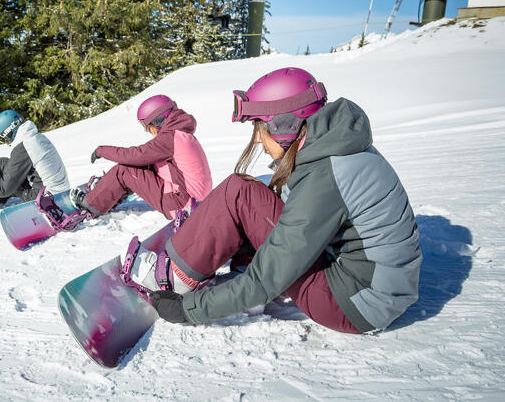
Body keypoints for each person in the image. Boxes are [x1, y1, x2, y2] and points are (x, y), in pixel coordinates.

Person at [130, 67, 421, 334]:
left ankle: (171, 278)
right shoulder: (338, 145)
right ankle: (214, 253)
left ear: (284, 125)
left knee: (239, 192)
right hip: (371, 288)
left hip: (353, 303)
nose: (257, 140)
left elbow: (267, 278)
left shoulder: (325, 174)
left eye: (259, 128)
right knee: (246, 195)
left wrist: (186, 309)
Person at [70, 94, 212, 220]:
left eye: (148, 127)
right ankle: (107, 194)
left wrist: (102, 151)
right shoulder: (181, 135)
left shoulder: (171, 138)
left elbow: (135, 155)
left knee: (125, 170)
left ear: (158, 121)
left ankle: (90, 205)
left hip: (182, 204)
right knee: (141, 166)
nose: (149, 132)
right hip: (194, 201)